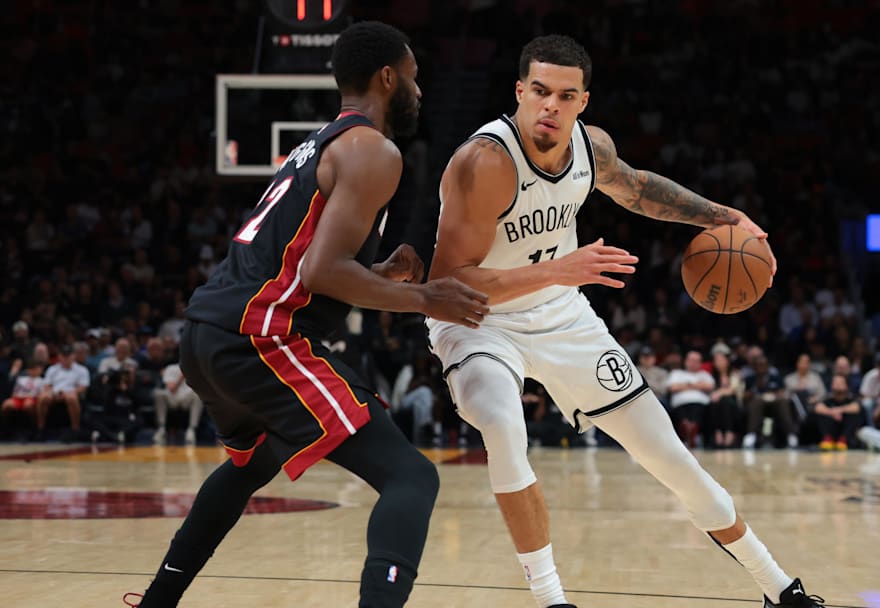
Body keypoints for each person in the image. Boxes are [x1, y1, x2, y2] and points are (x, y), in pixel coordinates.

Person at [427, 35, 823, 608]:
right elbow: (448, 287)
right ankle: (552, 599)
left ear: (583, 102)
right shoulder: (483, 163)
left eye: (566, 96)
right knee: (504, 427)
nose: (550, 107)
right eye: (539, 91)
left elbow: (636, 189)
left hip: (561, 314)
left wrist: (721, 216)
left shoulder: (593, 148)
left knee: (670, 456)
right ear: (519, 91)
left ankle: (778, 588)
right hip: (479, 321)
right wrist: (562, 270)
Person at [129, 22, 489, 608]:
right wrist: (426, 297)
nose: (421, 91)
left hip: (206, 334)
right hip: (261, 337)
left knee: (252, 466)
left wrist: (381, 276)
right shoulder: (374, 150)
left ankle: (156, 602)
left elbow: (304, 262)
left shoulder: (319, 142)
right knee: (411, 477)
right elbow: (321, 273)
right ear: (388, 77)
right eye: (416, 78)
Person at [812, 375, 861, 450]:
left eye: (840, 383)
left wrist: (839, 410)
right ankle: (827, 438)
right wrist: (831, 413)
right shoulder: (828, 399)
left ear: (846, 386)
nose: (838, 385)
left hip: (845, 431)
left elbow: (856, 408)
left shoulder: (850, 399)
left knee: (853, 414)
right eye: (835, 383)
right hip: (831, 429)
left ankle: (843, 439)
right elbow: (818, 408)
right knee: (820, 414)